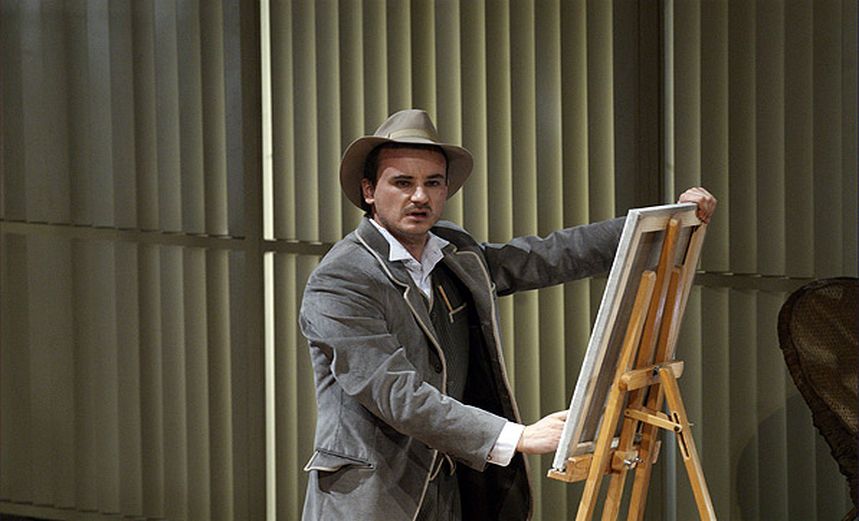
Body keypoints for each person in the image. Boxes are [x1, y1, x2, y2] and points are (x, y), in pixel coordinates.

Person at [299, 109, 716, 521]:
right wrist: (518, 436)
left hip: (452, 491)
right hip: (373, 498)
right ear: (369, 191)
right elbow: (395, 393)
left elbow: (545, 256)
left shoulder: (453, 251)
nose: (420, 197)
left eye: (433, 183)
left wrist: (659, 223)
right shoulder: (341, 279)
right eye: (403, 183)